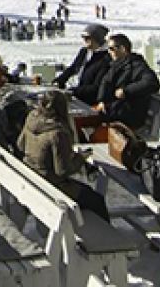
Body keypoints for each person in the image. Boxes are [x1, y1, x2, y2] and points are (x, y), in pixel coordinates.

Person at [18, 90, 110, 221]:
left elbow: (20, 144)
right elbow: (62, 171)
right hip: (50, 184)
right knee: (96, 201)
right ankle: (105, 239)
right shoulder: (58, 133)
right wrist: (81, 158)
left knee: (87, 193)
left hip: (32, 175)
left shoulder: (31, 118)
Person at [93, 33, 160, 131]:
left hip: (126, 115)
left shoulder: (137, 65)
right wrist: (102, 101)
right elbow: (105, 83)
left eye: (112, 49)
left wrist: (126, 91)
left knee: (85, 122)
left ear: (123, 49)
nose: (109, 52)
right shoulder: (116, 65)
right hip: (113, 110)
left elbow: (152, 82)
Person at [54, 23, 111, 107]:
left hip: (88, 100)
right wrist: (59, 80)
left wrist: (73, 91)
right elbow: (73, 68)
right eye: (83, 38)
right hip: (75, 93)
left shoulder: (106, 58)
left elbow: (96, 87)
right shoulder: (84, 51)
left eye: (87, 38)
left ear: (97, 39)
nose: (84, 40)